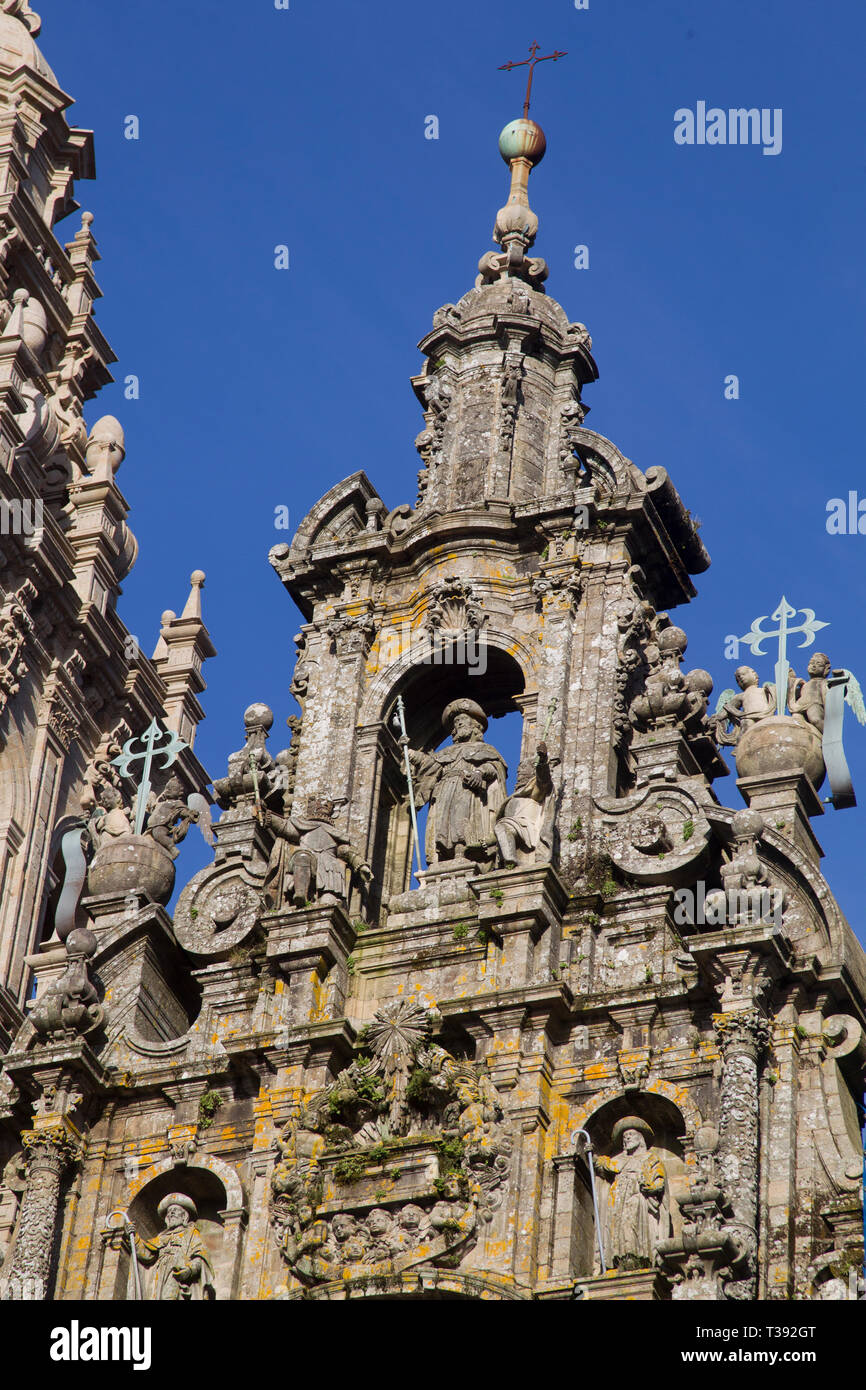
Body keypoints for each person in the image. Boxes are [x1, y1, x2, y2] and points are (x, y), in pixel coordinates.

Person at [406, 699, 506, 863]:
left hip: (466, 789)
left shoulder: (485, 749)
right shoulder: (447, 751)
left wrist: (479, 773)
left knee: (460, 820)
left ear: (475, 725)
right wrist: (410, 753)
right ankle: (443, 857)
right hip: (445, 790)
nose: (458, 724)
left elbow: (494, 767)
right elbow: (429, 764)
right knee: (442, 823)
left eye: (463, 720)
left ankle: (462, 853)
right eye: (456, 722)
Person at [593, 1117, 671, 1268]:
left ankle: (635, 1257)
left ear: (640, 1138)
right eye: (624, 1136)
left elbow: (659, 1180)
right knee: (617, 1227)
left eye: (631, 1134)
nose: (627, 1137)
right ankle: (618, 1258)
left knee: (631, 1223)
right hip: (617, 1200)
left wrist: (650, 1186)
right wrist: (592, 1155)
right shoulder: (618, 1160)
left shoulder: (650, 1159)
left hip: (637, 1198)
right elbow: (602, 1167)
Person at [131, 1193, 214, 1300]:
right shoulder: (161, 1236)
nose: (171, 1213)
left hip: (176, 1271)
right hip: (159, 1272)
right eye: (169, 1211)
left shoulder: (191, 1233)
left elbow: (200, 1256)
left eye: (175, 1210)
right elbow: (147, 1254)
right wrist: (134, 1237)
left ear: (184, 1215)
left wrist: (189, 1270)